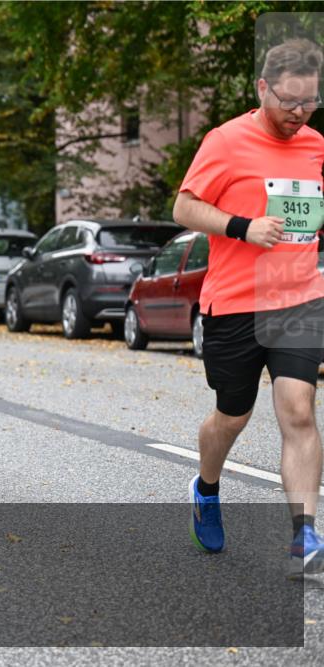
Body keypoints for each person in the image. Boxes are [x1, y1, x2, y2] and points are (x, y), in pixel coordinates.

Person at [173, 38, 324, 573]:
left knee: (299, 411)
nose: (299, 114)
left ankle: (304, 538)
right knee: (232, 417)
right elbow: (184, 206)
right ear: (263, 87)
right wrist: (243, 227)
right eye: (289, 101)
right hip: (235, 304)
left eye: (309, 103)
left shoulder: (315, 145)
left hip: (299, 300)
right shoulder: (225, 142)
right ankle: (207, 488)